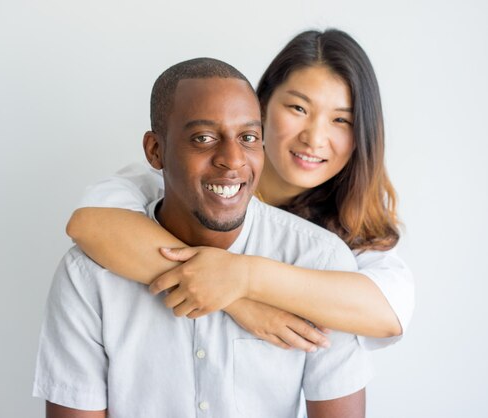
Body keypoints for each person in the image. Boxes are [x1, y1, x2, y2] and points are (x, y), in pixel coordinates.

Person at [34, 58, 372, 418]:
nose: (231, 159)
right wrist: (241, 303)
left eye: (248, 137)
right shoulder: (88, 276)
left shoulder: (318, 260)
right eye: (204, 138)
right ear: (155, 151)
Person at [67, 29, 415, 353]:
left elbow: (389, 313)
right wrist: (239, 302)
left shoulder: (353, 233)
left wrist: (245, 278)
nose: (314, 137)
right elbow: (89, 225)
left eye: (341, 120)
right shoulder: (181, 179)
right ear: (259, 106)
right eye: (298, 108)